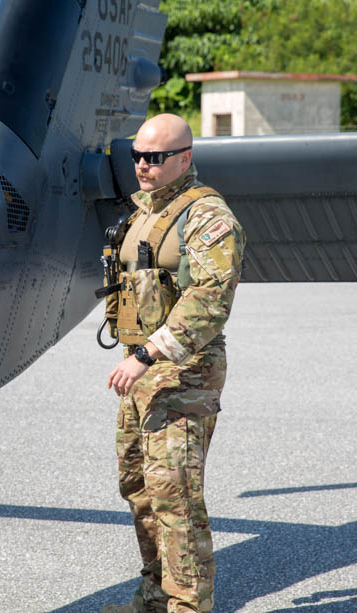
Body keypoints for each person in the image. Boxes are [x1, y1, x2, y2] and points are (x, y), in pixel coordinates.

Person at [102, 113, 245, 613]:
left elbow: (210, 298)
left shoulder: (206, 216)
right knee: (139, 488)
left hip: (183, 374)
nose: (142, 165)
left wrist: (147, 354)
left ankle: (188, 607)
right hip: (141, 373)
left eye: (155, 158)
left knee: (177, 500)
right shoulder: (143, 210)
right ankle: (154, 595)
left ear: (184, 158)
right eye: (137, 156)